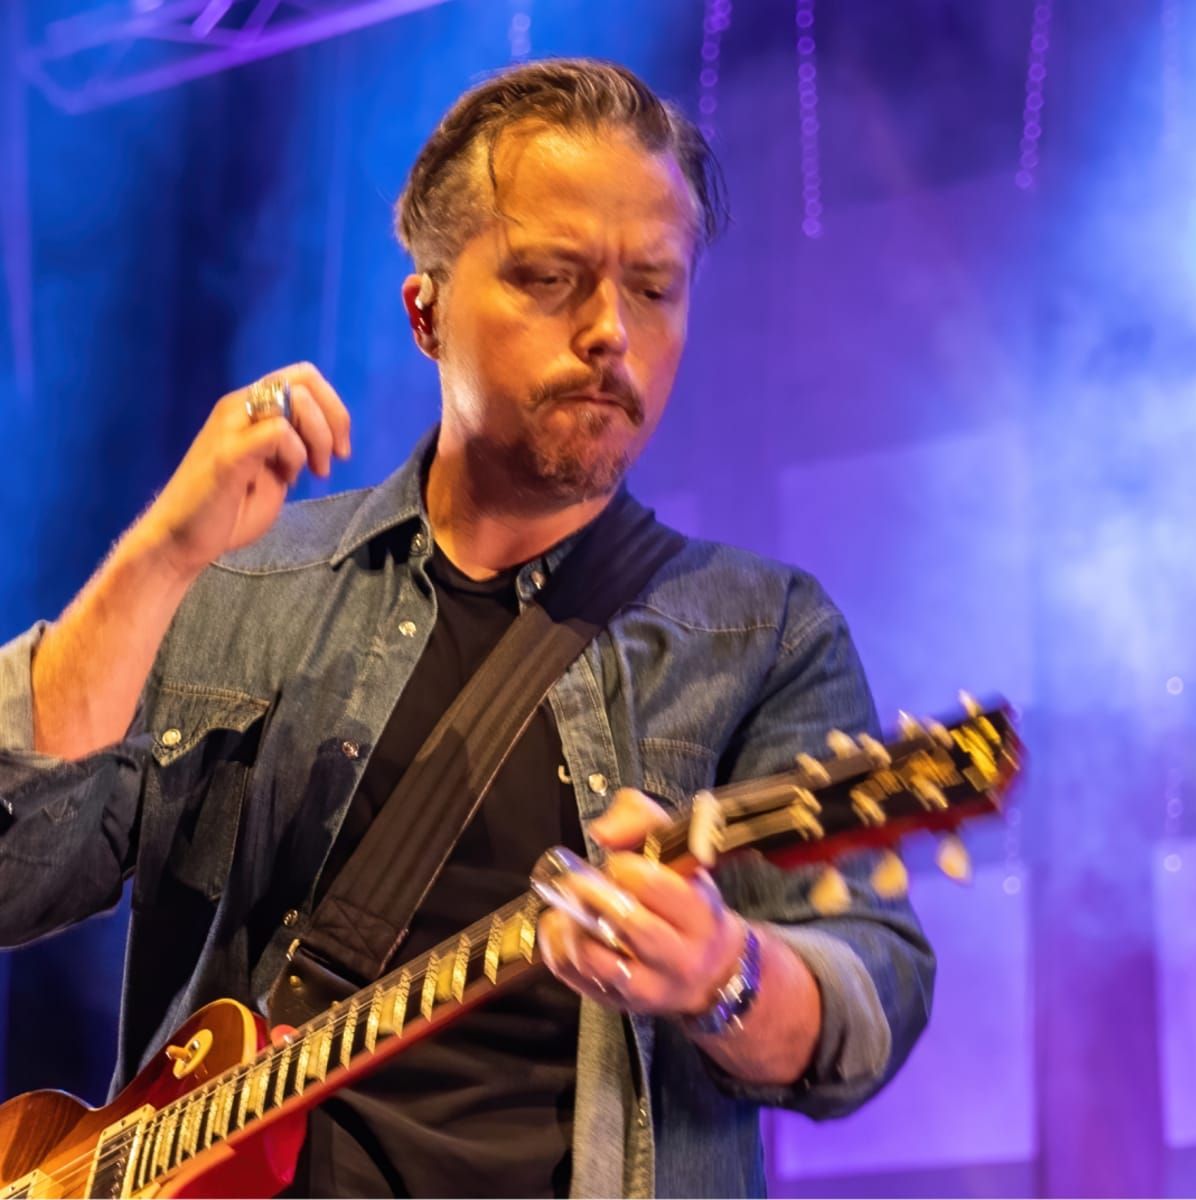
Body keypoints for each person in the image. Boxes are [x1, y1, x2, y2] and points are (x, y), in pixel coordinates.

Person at [0, 59, 933, 1198]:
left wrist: (723, 973)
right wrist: (161, 559)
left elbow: (867, 1005)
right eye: (551, 277)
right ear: (425, 311)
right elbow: (14, 871)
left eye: (654, 286)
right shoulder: (246, 586)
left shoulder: (762, 632)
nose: (610, 332)